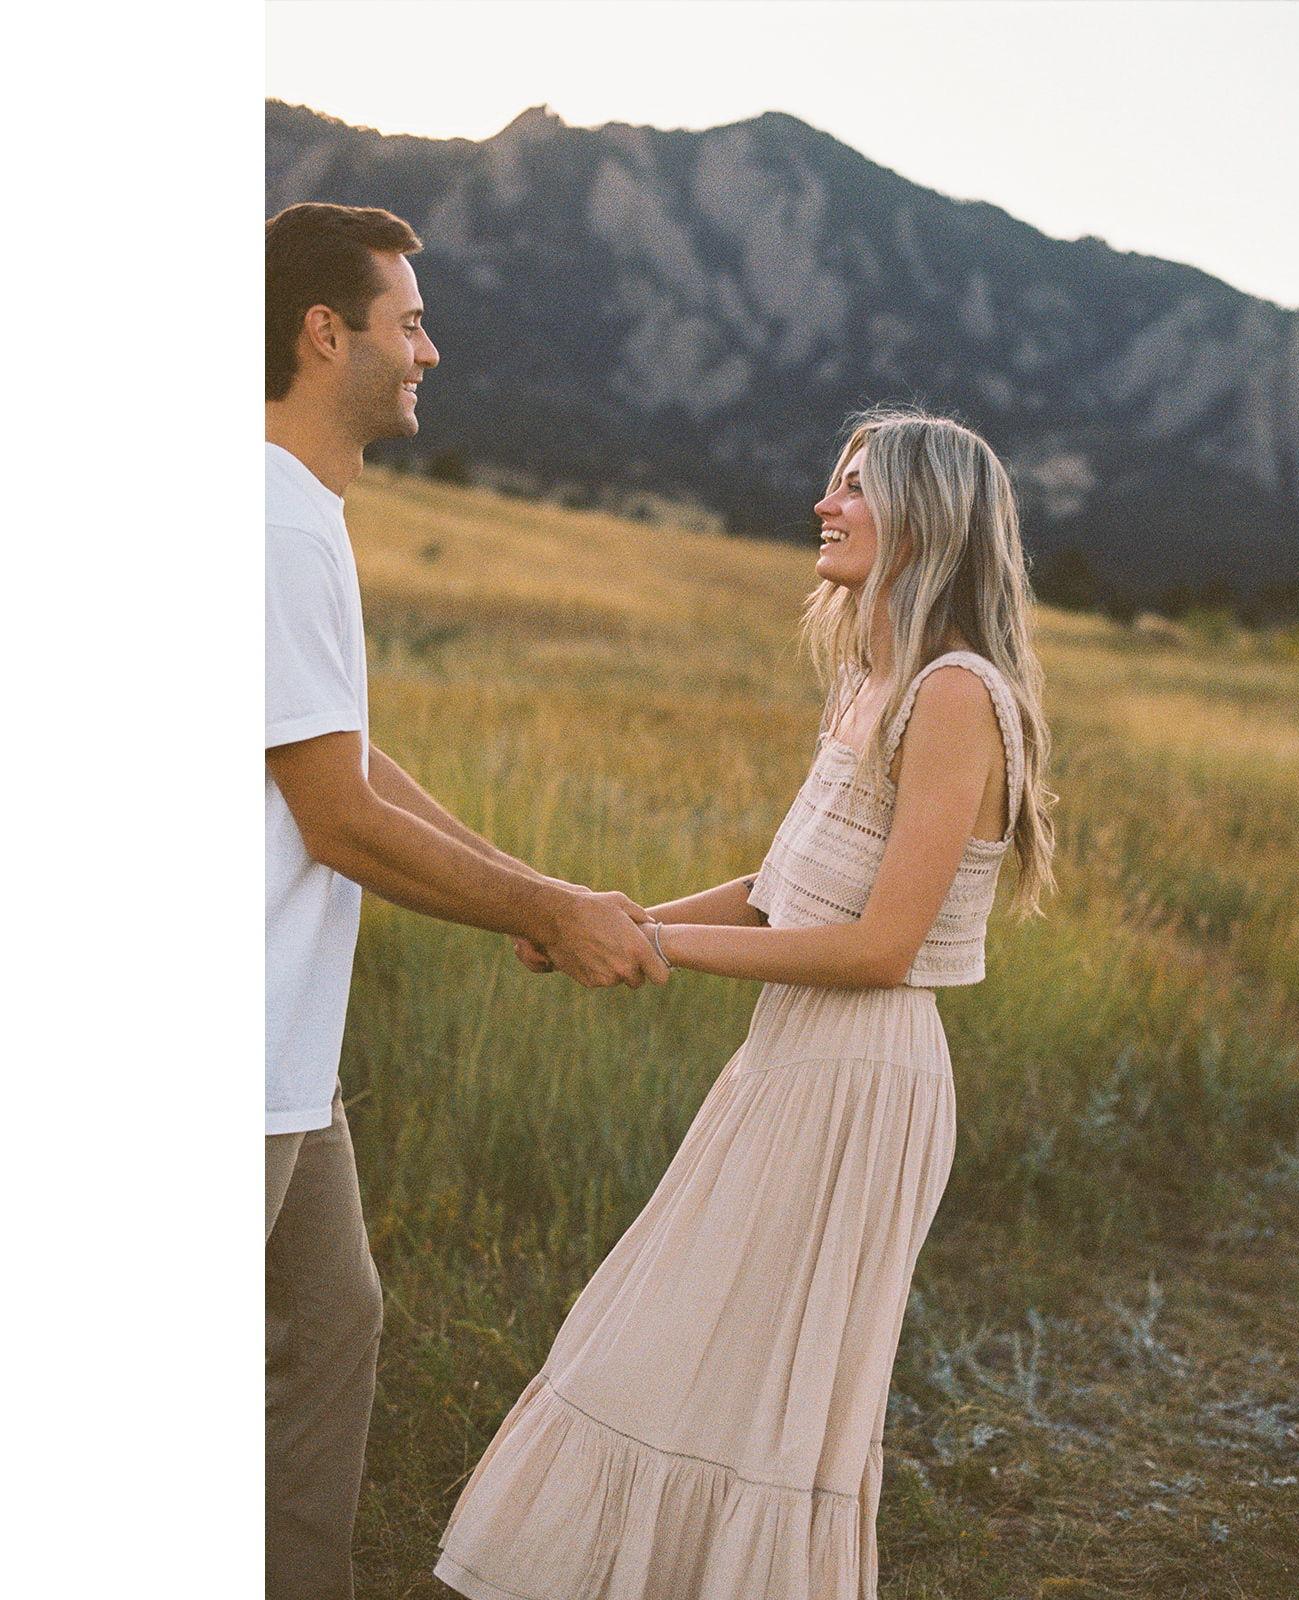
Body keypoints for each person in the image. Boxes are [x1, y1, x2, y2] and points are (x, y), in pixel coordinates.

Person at [434, 410, 1058, 1600]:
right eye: (833, 481)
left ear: (927, 516)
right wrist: (594, 920)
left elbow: (881, 948)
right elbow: (780, 894)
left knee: (761, 1388)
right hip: (789, 1057)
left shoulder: (954, 695)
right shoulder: (868, 682)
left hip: (862, 1075)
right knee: (674, 1347)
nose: (825, 504)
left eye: (856, 486)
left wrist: (652, 942)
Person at [264, 201, 668, 1600]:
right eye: (412, 323)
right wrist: (550, 913)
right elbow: (337, 819)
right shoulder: (270, 522)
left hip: (287, 1052)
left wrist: (530, 892)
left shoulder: (299, 513)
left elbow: (346, 757)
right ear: (328, 335)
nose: (430, 350)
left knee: (334, 1325)